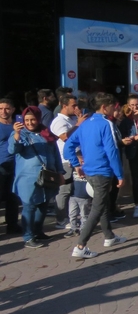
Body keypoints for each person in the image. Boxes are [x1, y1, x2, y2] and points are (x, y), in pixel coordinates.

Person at [63, 92, 127, 259]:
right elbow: (111, 150)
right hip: (102, 171)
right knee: (98, 208)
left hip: (90, 171)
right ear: (105, 107)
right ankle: (80, 246)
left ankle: (109, 237)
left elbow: (68, 146)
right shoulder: (106, 124)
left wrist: (76, 164)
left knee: (102, 202)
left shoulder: (85, 124)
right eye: (113, 106)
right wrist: (120, 174)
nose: (115, 109)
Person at [8, 106, 64, 248]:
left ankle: (38, 231)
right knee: (30, 206)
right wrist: (16, 134)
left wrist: (60, 172)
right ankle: (28, 236)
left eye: (33, 119)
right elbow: (13, 149)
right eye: (26, 120)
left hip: (47, 175)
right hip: (28, 177)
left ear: (38, 119)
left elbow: (55, 154)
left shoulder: (46, 134)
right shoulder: (21, 134)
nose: (30, 123)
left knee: (43, 204)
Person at [50, 94, 88, 229]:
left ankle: (73, 217)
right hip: (65, 160)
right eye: (73, 105)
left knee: (74, 190)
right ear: (64, 106)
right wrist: (78, 124)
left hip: (77, 159)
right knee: (64, 190)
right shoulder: (58, 121)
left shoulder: (71, 119)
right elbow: (65, 137)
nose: (76, 107)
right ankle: (60, 219)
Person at [0, 98, 21, 234]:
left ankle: (12, 225)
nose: (3, 111)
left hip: (17, 165)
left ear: (13, 109)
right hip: (1, 166)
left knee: (13, 197)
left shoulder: (17, 125)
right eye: (1, 109)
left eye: (7, 108)